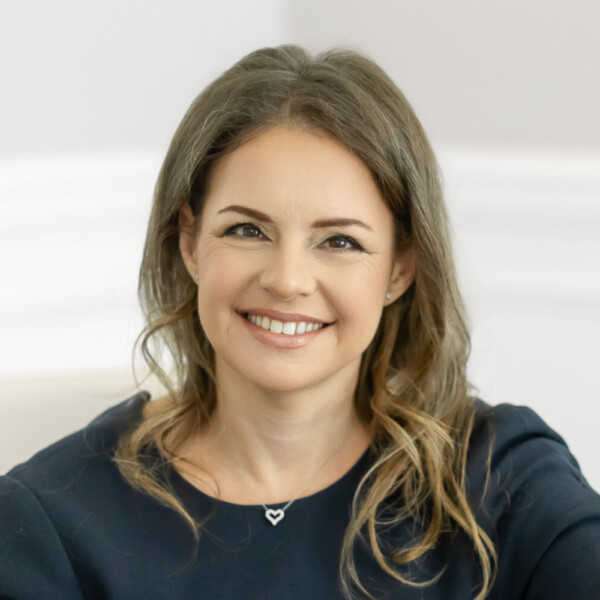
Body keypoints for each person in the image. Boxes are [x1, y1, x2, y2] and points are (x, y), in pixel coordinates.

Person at [1, 45, 599, 600]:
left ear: (399, 269)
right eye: (247, 230)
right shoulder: (48, 519)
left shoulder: (504, 477)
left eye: (339, 240)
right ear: (189, 241)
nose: (287, 280)